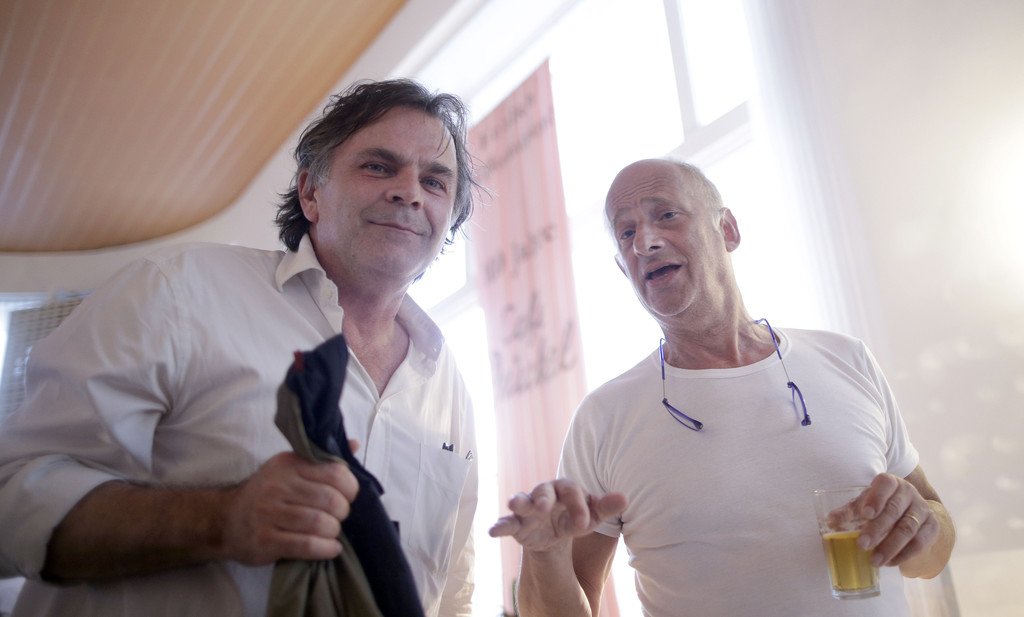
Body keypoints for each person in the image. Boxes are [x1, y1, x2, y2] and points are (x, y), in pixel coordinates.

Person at [0, 79, 479, 617]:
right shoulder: (176, 290)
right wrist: (221, 520)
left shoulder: (451, 394)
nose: (410, 192)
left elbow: (451, 591)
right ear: (310, 193)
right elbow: (12, 498)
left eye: (435, 182)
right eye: (378, 167)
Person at [489, 159, 955, 616]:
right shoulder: (603, 417)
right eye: (626, 232)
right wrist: (543, 555)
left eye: (666, 215)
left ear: (727, 230)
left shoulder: (847, 359)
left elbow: (934, 551)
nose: (645, 242)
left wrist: (923, 525)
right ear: (623, 267)